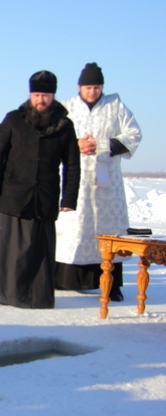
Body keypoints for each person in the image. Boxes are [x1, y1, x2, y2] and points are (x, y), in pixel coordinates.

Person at [0, 71, 80, 309]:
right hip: (14, 195)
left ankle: (38, 297)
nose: (41, 100)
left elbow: (72, 164)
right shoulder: (14, 119)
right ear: (30, 94)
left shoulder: (64, 125)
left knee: (41, 251)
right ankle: (7, 294)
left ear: (53, 95)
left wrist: (69, 198)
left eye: (45, 95)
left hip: (45, 196)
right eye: (37, 95)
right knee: (12, 250)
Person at [55, 63, 142, 302]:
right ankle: (64, 280)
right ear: (79, 87)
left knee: (109, 231)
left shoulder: (115, 105)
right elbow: (52, 136)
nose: (92, 92)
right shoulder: (66, 107)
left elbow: (134, 134)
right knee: (74, 228)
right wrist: (75, 144)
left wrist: (103, 144)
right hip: (76, 179)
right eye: (88, 87)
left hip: (106, 182)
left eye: (96, 87)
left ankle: (112, 285)